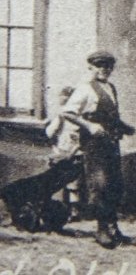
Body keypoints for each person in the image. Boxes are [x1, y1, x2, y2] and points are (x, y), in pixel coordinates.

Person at [62, 51, 135, 249]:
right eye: (100, 66)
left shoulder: (111, 88)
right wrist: (89, 126)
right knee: (100, 184)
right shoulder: (85, 89)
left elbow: (111, 116)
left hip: (111, 141)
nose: (104, 70)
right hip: (93, 144)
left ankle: (113, 227)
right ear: (91, 67)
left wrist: (125, 127)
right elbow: (67, 112)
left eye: (108, 66)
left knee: (114, 185)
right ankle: (102, 229)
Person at [45, 86, 83, 219]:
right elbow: (50, 132)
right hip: (68, 153)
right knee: (70, 183)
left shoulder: (67, 116)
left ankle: (72, 211)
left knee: (69, 183)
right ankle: (68, 211)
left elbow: (49, 132)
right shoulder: (73, 117)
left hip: (70, 153)